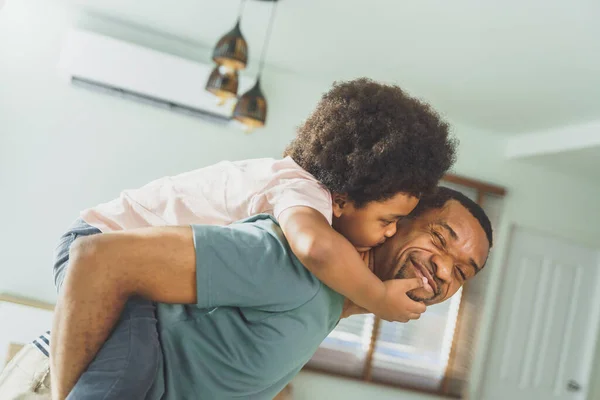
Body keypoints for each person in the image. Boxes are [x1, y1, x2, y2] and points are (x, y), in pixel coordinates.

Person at [47, 78, 456, 398]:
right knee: (127, 370)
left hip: (124, 264)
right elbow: (316, 248)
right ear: (344, 200)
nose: (389, 233)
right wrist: (378, 298)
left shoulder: (299, 189)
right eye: (389, 220)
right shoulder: (302, 192)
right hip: (101, 241)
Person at [0, 187, 493, 400]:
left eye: (463, 271)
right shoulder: (293, 264)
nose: (444, 269)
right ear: (396, 221)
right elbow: (98, 259)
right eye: (440, 238)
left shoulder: (336, 300)